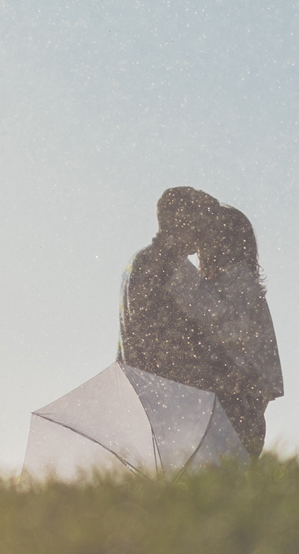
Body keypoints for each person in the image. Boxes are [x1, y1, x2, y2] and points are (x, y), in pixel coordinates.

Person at [119, 187, 283, 456]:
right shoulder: (172, 266)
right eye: (202, 225)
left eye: (209, 230)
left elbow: (227, 327)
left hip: (170, 395)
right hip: (184, 397)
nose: (201, 240)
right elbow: (218, 324)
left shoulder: (145, 261)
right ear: (185, 222)